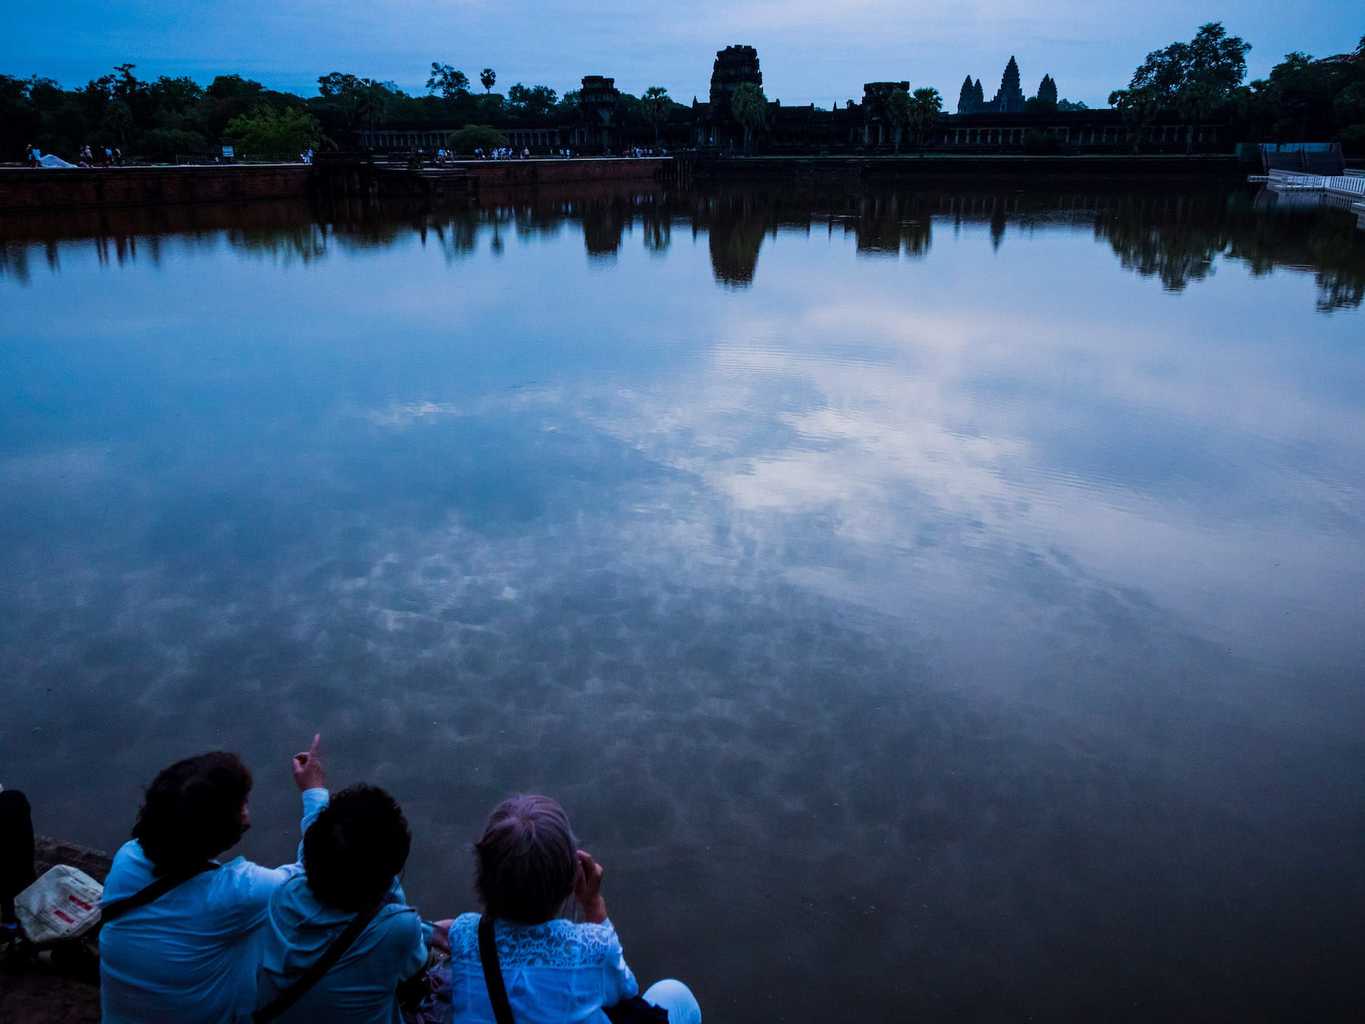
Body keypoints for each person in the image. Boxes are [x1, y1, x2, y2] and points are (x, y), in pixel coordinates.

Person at [99, 736, 330, 1024]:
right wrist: (314, 792)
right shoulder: (239, 891)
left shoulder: (128, 858)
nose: (247, 808)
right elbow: (320, 869)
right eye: (242, 803)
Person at [437, 795, 700, 1024]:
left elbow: (449, 930)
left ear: (483, 876)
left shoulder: (464, 934)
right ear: (570, 879)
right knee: (676, 995)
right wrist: (593, 903)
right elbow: (626, 990)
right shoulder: (592, 947)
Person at [254, 784, 428, 1023]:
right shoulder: (400, 926)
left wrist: (314, 793)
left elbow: (313, 858)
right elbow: (414, 970)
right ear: (395, 867)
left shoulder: (282, 892)